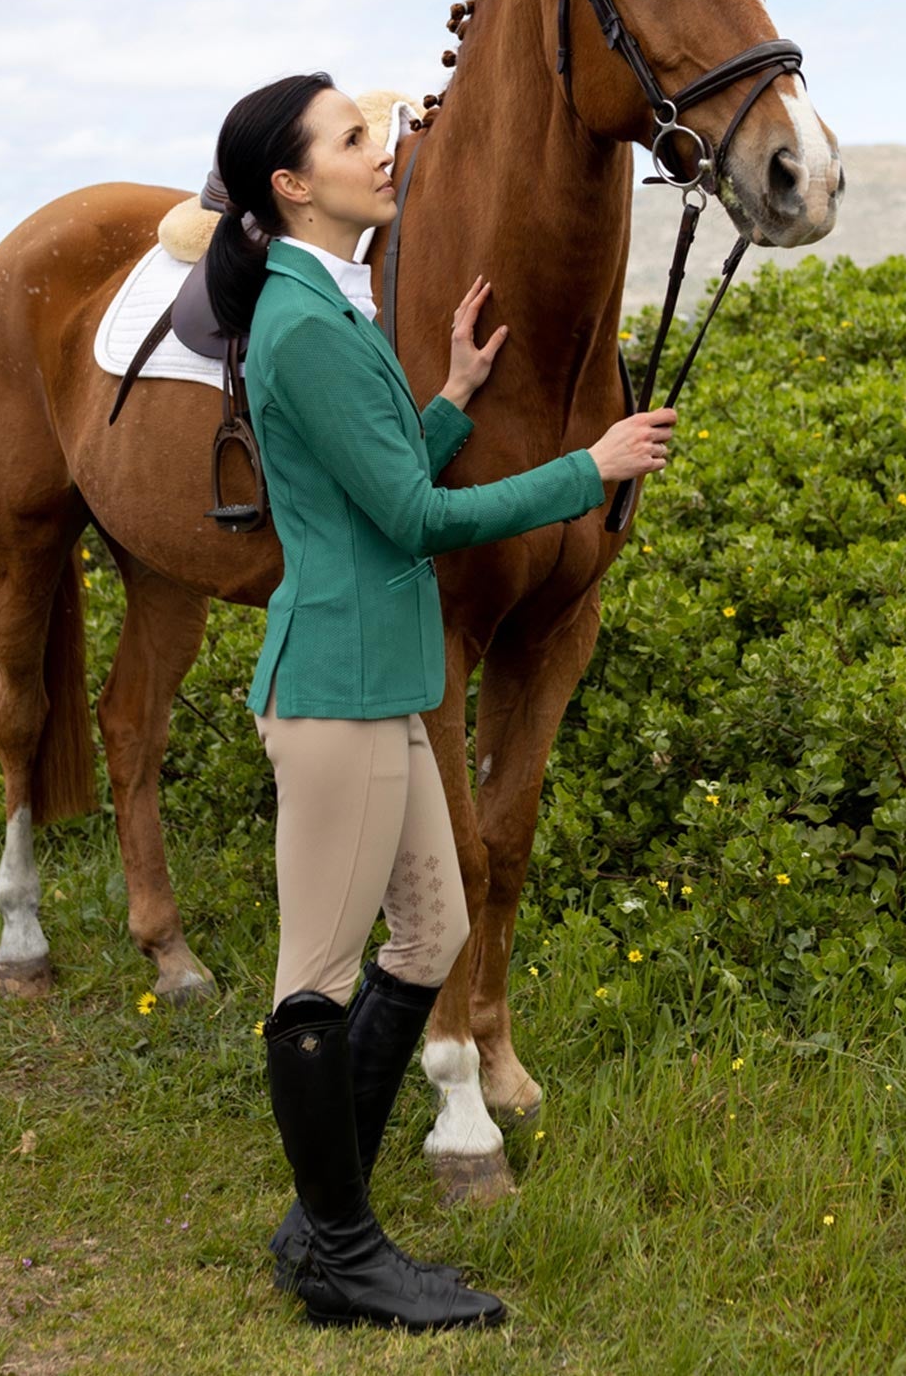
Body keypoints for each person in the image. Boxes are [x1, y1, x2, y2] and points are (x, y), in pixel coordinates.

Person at [204, 72, 676, 1332]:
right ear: (292, 187)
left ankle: (326, 1224)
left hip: (388, 680)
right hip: (341, 691)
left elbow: (382, 469)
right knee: (313, 981)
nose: (385, 145)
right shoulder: (308, 324)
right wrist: (590, 465)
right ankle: (345, 1254)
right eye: (354, 138)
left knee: (431, 932)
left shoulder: (331, 303)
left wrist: (456, 393)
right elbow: (414, 519)